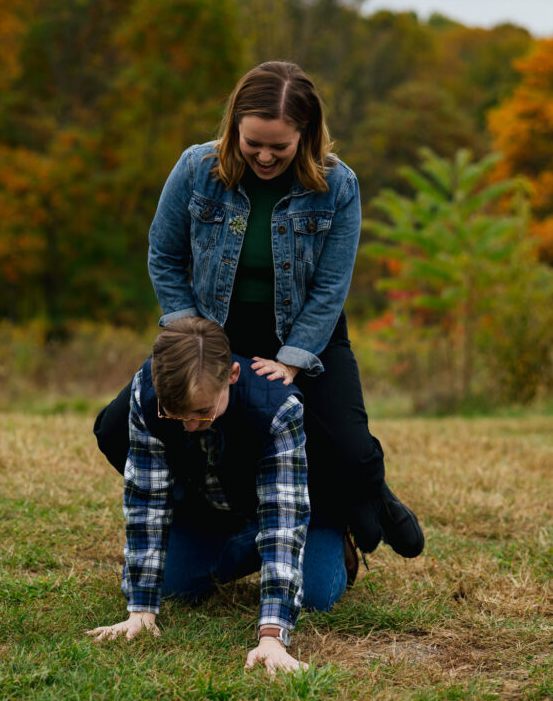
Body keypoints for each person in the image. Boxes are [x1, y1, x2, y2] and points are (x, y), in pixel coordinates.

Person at [96, 61, 423, 559]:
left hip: (307, 331)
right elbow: (164, 254)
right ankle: (218, 516)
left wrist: (293, 359)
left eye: (279, 146)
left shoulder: (338, 185)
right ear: (234, 128)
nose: (265, 156)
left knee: (350, 455)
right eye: (254, 143)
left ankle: (352, 505)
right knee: (114, 427)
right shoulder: (195, 168)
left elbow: (332, 286)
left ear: (306, 136)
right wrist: (189, 331)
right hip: (213, 330)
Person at [88, 318, 354, 675]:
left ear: (231, 375)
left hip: (292, 507)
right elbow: (146, 501)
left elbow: (282, 519)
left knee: (316, 596)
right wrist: (141, 610)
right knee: (172, 589)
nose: (188, 425)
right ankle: (240, 545)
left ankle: (333, 541)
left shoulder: (278, 406)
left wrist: (271, 637)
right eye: (175, 412)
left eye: (202, 412)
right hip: (218, 506)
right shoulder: (147, 393)